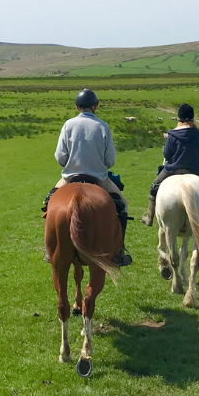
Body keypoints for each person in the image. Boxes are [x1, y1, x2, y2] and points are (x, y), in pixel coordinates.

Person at [42, 89, 132, 266]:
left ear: (77, 107)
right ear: (95, 106)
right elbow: (110, 160)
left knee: (49, 203)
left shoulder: (68, 125)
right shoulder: (102, 126)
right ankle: (119, 250)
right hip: (98, 179)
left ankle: (48, 250)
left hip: (69, 178)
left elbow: (60, 156)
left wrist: (71, 165)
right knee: (123, 205)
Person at [139, 103, 199, 229]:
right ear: (192, 117)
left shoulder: (172, 135)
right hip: (193, 170)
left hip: (172, 169)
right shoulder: (197, 134)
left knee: (154, 187)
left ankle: (149, 218)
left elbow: (166, 154)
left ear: (179, 118)